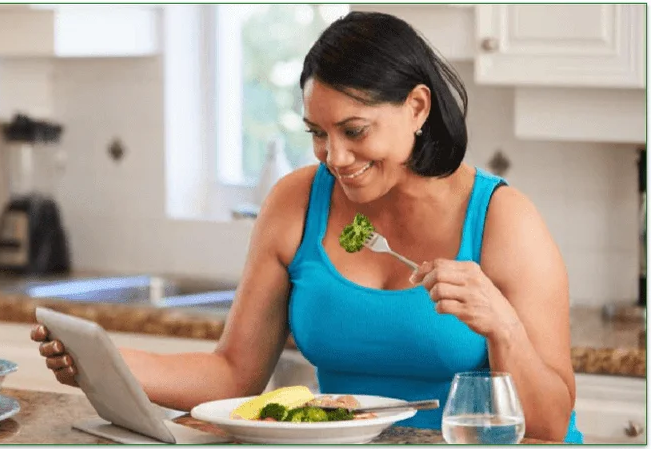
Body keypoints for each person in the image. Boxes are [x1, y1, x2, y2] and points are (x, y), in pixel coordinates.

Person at [31, 11, 583, 443]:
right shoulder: (296, 202)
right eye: (318, 133)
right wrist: (103, 364)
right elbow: (234, 374)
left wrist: (503, 327)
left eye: (354, 131)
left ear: (417, 107)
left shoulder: (502, 220)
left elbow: (550, 425)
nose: (334, 157)